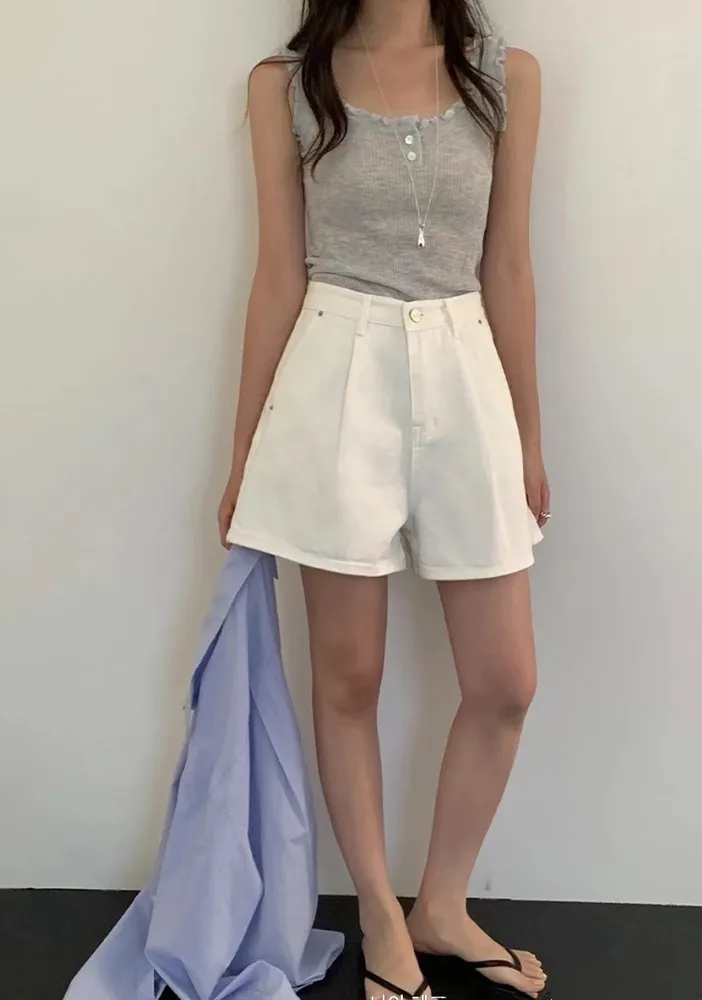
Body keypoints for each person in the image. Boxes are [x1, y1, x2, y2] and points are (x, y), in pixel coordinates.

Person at [219, 1, 549, 997]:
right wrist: (243, 452)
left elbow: (508, 266)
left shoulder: (506, 76)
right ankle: (377, 915)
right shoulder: (284, 86)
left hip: (465, 371)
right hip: (335, 374)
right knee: (349, 676)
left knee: (506, 680)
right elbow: (278, 275)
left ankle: (441, 905)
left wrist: (529, 436)